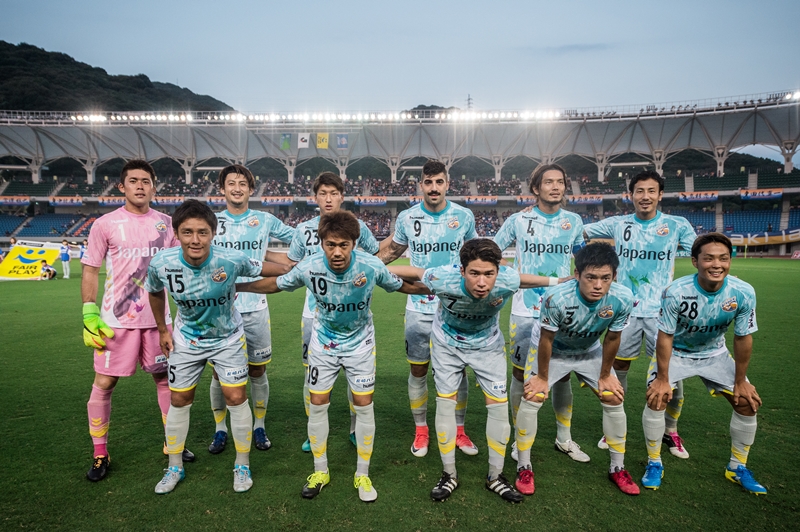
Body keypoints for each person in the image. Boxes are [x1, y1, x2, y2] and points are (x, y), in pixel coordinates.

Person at [237, 211, 428, 502]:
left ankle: (362, 474)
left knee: (363, 405)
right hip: (323, 345)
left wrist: (440, 289)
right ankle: (320, 471)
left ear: (354, 243)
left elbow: (404, 286)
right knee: (317, 403)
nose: (337, 252)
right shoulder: (310, 266)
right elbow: (277, 284)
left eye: (343, 245)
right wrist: (238, 287)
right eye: (330, 245)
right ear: (322, 243)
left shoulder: (371, 265)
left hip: (360, 345)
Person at [389, 239, 561, 503]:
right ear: (462, 271)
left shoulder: (507, 279)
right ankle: (449, 474)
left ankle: (495, 477)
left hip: (488, 346)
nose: (482, 282)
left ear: (498, 272)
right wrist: (372, 268)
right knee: (445, 405)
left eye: (489, 274)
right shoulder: (443, 277)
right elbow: (413, 272)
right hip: (447, 344)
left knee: (498, 409)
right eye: (474, 273)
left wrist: (560, 281)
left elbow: (525, 280)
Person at [145, 199, 290, 494]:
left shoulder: (231, 260)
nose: (195, 240)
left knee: (236, 397)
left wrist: (291, 269)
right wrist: (162, 329)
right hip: (187, 339)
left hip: (227, 339)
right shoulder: (162, 263)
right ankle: (174, 467)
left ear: (213, 233)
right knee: (179, 400)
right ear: (176, 233)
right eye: (187, 232)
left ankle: (242, 465)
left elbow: (274, 272)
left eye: (202, 232)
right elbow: (155, 292)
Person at [80, 159, 193, 482]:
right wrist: (89, 312)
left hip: (159, 321)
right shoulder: (105, 224)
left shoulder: (167, 225)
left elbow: (183, 265)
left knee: (165, 381)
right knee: (104, 383)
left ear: (154, 187)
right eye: (133, 181)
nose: (140, 186)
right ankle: (100, 453)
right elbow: (91, 269)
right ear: (122, 186)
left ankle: (173, 443)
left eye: (146, 181)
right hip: (115, 322)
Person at [642, 233, 765, 495]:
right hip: (677, 352)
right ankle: (654, 462)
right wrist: (662, 378)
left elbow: (743, 337)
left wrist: (740, 381)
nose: (716, 264)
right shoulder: (675, 292)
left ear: (730, 261)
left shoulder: (743, 292)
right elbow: (665, 336)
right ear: (695, 261)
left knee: (747, 402)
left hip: (714, 353)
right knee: (657, 397)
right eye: (709, 258)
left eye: (723, 258)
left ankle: (737, 467)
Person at [584, 171, 696, 457]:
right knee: (617, 369)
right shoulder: (618, 224)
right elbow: (578, 231)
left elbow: (702, 253)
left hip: (663, 313)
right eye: (640, 191)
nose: (645, 196)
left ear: (660, 195)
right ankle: (613, 428)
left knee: (670, 374)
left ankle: (671, 430)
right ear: (631, 195)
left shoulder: (676, 225)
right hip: (626, 312)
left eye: (651, 191)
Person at [377, 159, 479, 458]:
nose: (434, 188)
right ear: (420, 185)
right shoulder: (408, 218)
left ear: (447, 184)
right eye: (429, 182)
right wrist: (362, 265)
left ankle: (459, 430)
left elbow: (475, 255)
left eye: (439, 182)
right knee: (418, 369)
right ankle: (421, 430)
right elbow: (391, 252)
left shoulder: (464, 216)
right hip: (419, 308)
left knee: (458, 371)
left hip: (456, 307)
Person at [520, 243, 639, 496]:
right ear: (577, 274)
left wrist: (605, 375)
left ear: (614, 276)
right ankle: (523, 465)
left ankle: (617, 468)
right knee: (533, 396)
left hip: (589, 349)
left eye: (605, 278)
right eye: (591, 277)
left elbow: (613, 337)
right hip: (553, 349)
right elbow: (546, 340)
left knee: (613, 397)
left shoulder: (622, 298)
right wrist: (542, 378)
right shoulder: (556, 298)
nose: (598, 285)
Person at [492, 163, 587, 468]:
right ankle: (519, 441)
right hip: (525, 309)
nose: (555, 187)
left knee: (562, 375)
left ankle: (564, 438)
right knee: (521, 374)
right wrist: (509, 275)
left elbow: (583, 260)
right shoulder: (518, 220)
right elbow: (490, 252)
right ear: (536, 188)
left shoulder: (573, 221)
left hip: (562, 309)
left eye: (560, 182)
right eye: (548, 182)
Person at [286, 172, 380, 452]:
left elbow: (375, 258)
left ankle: (355, 428)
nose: (328, 199)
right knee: (311, 374)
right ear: (315, 198)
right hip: (314, 315)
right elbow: (292, 266)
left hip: (353, 314)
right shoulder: (303, 230)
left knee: (356, 377)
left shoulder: (359, 227)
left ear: (342, 196)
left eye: (333, 193)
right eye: (323, 193)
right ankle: (312, 430)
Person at [206, 165, 296, 455]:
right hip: (219, 309)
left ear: (251, 189)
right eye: (231, 183)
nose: (237, 188)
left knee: (257, 370)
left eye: (242, 184)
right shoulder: (211, 221)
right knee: (218, 373)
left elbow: (301, 238)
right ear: (222, 189)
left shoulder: (264, 219)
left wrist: (276, 258)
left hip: (255, 306)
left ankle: (259, 425)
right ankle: (220, 429)